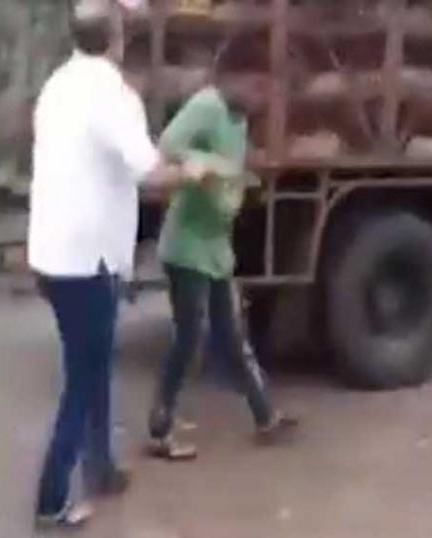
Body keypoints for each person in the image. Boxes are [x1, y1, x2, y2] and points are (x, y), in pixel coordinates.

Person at [29, 0, 202, 528]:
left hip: (53, 254)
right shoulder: (113, 95)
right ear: (116, 38)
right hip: (87, 261)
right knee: (83, 381)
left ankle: (100, 468)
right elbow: (148, 170)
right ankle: (51, 500)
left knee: (93, 364)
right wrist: (191, 171)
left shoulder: (57, 85)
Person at [147, 54, 298, 460]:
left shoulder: (238, 117)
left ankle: (265, 416)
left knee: (232, 335)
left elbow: (230, 167)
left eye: (265, 90)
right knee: (188, 338)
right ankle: (160, 428)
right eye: (255, 86)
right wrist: (207, 165)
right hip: (187, 246)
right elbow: (169, 144)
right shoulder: (207, 105)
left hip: (215, 247)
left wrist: (243, 176)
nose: (260, 97)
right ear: (232, 78)